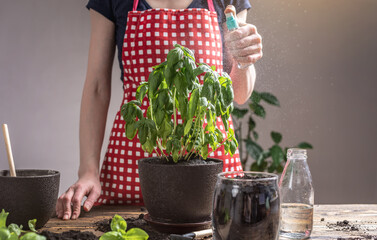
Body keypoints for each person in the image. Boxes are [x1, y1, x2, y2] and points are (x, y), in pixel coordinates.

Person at [56, 0, 263, 220]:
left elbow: (239, 94)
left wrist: (245, 60)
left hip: (210, 183)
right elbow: (97, 86)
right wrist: (88, 171)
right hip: (131, 182)